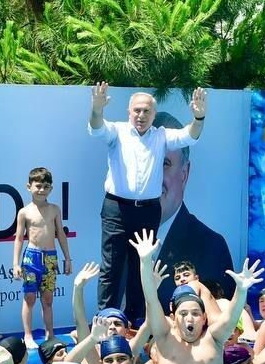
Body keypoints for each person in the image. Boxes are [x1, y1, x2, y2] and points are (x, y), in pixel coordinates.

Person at [88, 83, 207, 323]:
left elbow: (190, 136)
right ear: (129, 112)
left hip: (148, 211)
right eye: (137, 110)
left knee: (141, 266)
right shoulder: (117, 131)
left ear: (154, 115)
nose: (141, 115)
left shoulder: (162, 136)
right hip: (116, 209)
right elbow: (97, 128)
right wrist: (97, 109)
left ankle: (135, 320)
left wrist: (199, 117)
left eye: (146, 111)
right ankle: (105, 320)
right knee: (111, 267)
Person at [134, 229, 261, 364]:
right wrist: (145, 262)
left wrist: (241, 290)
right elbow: (150, 299)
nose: (189, 319)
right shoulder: (165, 337)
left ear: (204, 317)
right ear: (173, 317)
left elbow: (231, 317)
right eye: (183, 314)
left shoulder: (214, 338)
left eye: (195, 314)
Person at [151, 110, 234, 304]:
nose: (153, 177)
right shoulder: (119, 237)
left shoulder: (210, 247)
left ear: (184, 173)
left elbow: (222, 317)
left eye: (164, 164)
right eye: (147, 165)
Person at [13, 166, 72, 349]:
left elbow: (60, 234)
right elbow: (19, 238)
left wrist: (67, 258)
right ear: (29, 186)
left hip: (50, 258)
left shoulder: (54, 209)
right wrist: (15, 263)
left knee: (48, 299)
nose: (41, 190)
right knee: (29, 297)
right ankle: (28, 335)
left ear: (51, 188)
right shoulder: (24, 212)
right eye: (38, 186)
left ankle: (50, 334)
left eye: (46, 187)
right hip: (31, 257)